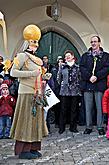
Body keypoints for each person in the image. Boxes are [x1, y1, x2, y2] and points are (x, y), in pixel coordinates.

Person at [10, 24, 48, 159]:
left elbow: (37, 74)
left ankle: (33, 147)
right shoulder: (22, 56)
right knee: (26, 121)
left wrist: (44, 76)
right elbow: (13, 72)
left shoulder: (37, 59)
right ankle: (23, 150)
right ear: (27, 43)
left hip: (36, 93)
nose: (36, 46)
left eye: (37, 44)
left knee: (35, 121)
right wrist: (32, 73)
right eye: (33, 43)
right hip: (25, 93)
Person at [80, 35, 109, 135]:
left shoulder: (106, 56)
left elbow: (106, 68)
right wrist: (89, 77)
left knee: (99, 107)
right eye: (92, 42)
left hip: (99, 85)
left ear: (99, 43)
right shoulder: (85, 56)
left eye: (95, 41)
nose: (93, 43)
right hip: (88, 84)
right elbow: (82, 68)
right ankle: (88, 126)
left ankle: (100, 126)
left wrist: (96, 76)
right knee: (88, 107)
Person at [58, 50, 81, 134]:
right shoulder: (62, 67)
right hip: (64, 91)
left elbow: (80, 78)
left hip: (75, 92)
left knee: (74, 110)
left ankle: (73, 127)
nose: (67, 57)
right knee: (63, 109)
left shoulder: (77, 67)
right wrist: (63, 85)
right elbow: (59, 78)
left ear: (72, 56)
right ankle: (62, 127)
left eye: (69, 55)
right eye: (66, 56)